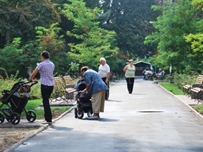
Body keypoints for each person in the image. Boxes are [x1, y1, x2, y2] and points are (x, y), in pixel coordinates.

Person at [29, 51, 55, 125]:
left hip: (44, 84)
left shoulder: (41, 64)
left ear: (42, 56)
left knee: (45, 101)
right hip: (51, 84)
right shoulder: (52, 64)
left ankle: (48, 119)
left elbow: (34, 73)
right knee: (46, 101)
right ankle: (48, 118)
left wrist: (31, 79)